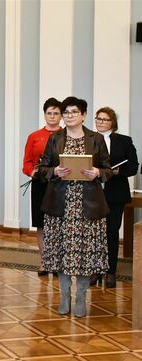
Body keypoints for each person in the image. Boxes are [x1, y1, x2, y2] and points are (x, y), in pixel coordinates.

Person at [38, 96, 113, 318]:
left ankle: (80, 297)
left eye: (73, 112)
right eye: (66, 112)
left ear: (83, 115)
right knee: (62, 253)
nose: (68, 116)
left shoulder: (96, 138)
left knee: (83, 255)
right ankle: (64, 297)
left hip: (87, 206)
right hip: (60, 205)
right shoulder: (55, 138)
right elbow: (42, 167)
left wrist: (98, 173)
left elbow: (109, 169)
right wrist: (54, 172)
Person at [91, 107, 139, 288]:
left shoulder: (124, 141)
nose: (100, 122)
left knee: (111, 232)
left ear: (113, 123)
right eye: (98, 118)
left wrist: (117, 171)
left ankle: (110, 271)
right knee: (94, 234)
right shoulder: (89, 139)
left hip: (115, 193)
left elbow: (133, 167)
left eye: (105, 119)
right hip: (92, 193)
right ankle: (95, 269)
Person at [22, 98, 63, 276]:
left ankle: (59, 262)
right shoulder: (34, 136)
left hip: (61, 184)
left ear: (61, 116)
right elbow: (27, 163)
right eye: (49, 113)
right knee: (41, 224)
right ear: (44, 114)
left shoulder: (67, 135)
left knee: (60, 223)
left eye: (56, 113)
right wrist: (33, 173)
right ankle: (44, 261)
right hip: (40, 184)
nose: (52, 116)